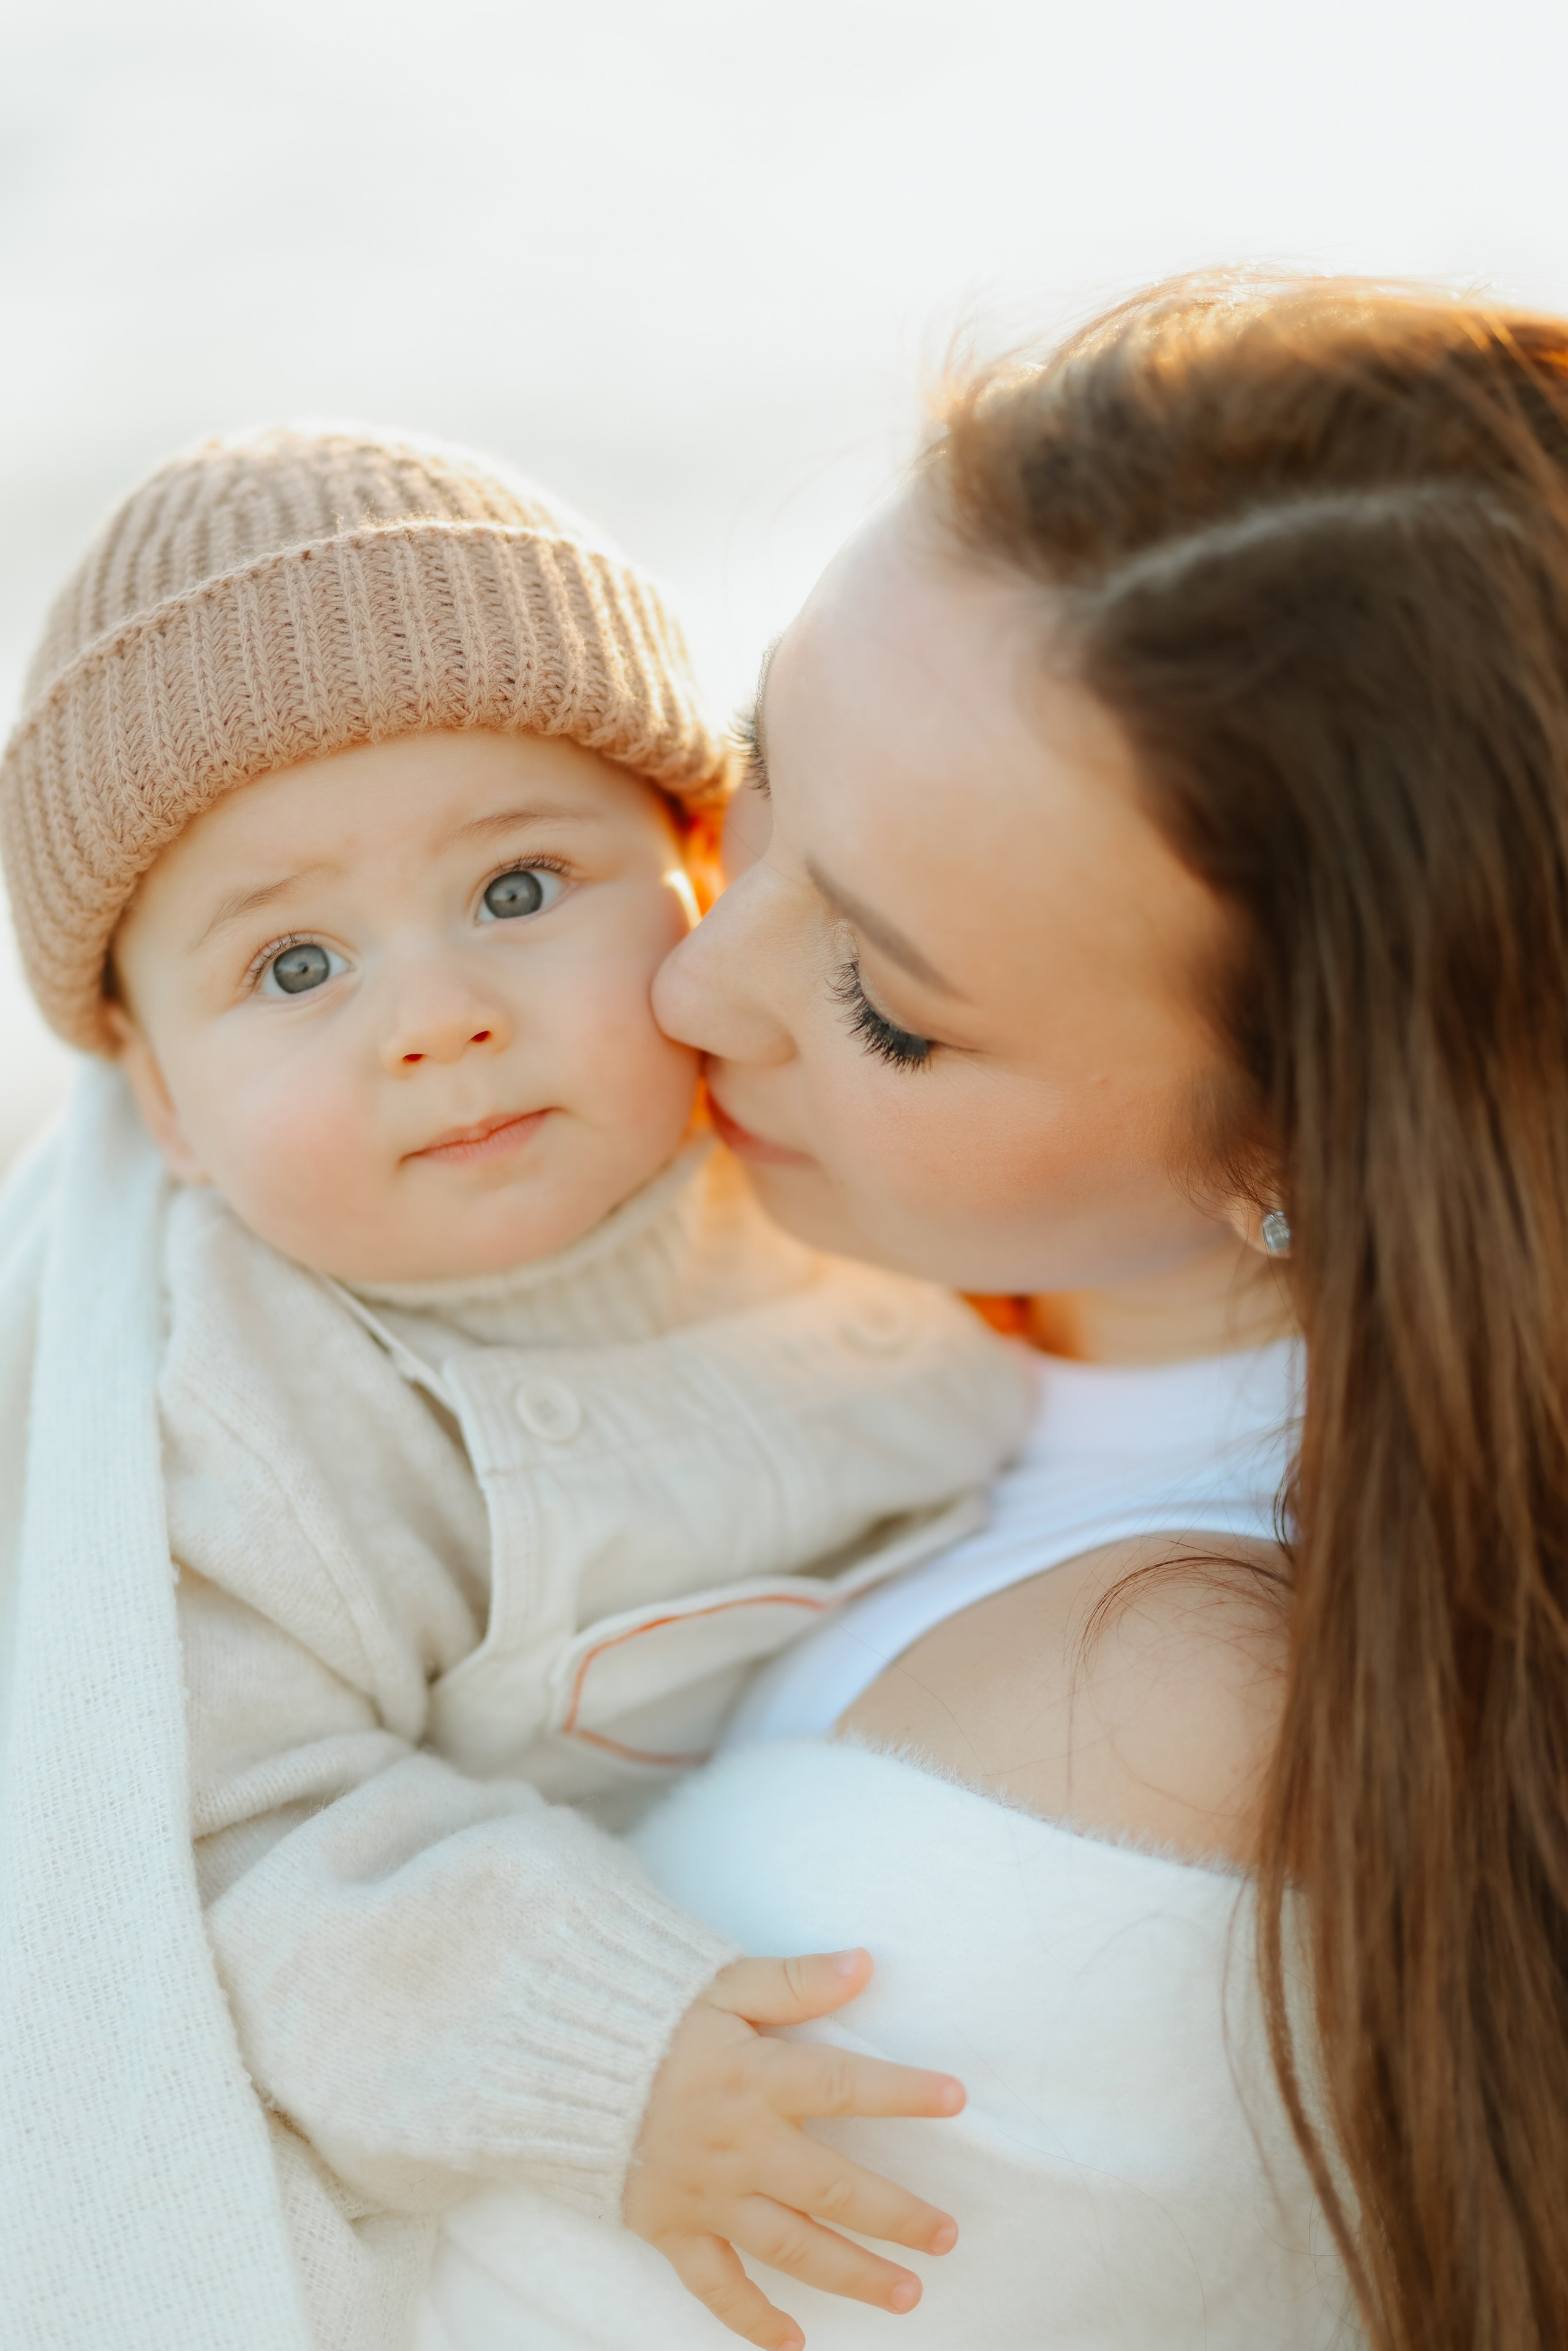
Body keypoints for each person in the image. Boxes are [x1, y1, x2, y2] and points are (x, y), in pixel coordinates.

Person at [421, 277, 1568, 2351]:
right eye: (763, 761)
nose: (688, 983)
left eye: (886, 1006)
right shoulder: (928, 1296)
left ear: (1289, 1145)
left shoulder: (1150, 1732)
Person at [0, 426, 1035, 2351]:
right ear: (164, 1105)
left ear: (702, 865)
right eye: (297, 963)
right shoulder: (248, 1400)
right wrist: (601, 2051)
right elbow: (245, 1837)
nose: (439, 1014)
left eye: (519, 887)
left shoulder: (829, 1155)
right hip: (551, 2076)